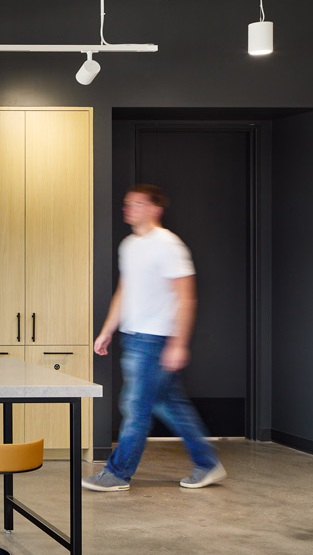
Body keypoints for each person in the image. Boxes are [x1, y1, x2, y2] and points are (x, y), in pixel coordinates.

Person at [82, 185, 226, 492]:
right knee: (170, 404)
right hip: (134, 338)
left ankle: (117, 473)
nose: (128, 208)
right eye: (127, 203)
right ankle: (207, 463)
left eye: (136, 204)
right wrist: (108, 330)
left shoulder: (169, 245)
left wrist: (179, 343)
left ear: (154, 209)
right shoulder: (130, 245)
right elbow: (125, 291)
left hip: (156, 339)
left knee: (135, 407)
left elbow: (186, 298)